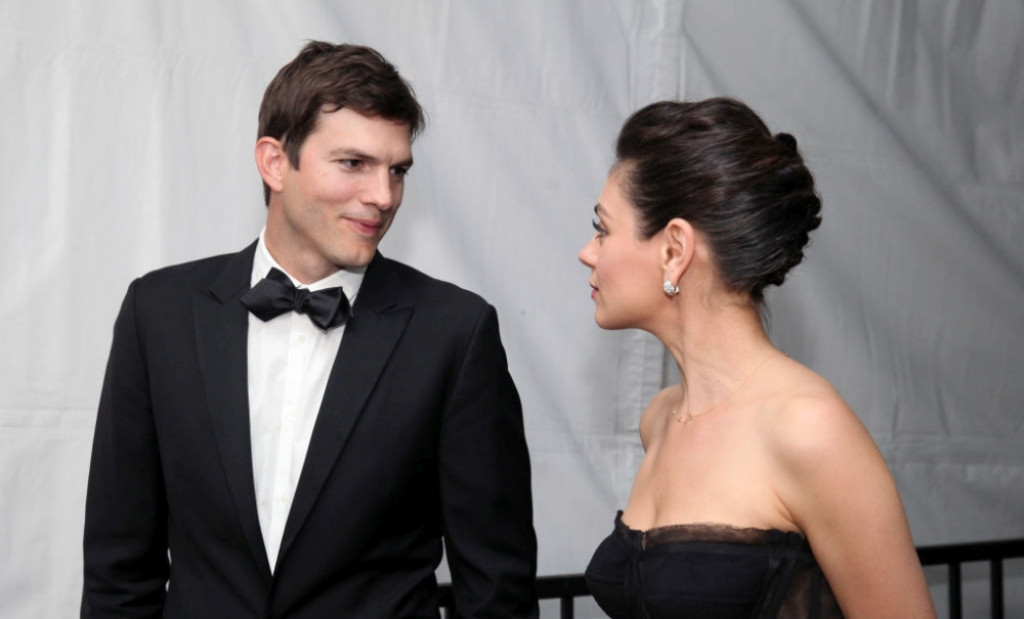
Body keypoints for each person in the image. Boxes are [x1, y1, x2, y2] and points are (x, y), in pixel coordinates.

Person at [82, 41, 538, 618]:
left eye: (397, 170)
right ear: (275, 162)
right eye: (353, 164)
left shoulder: (455, 333)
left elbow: (496, 590)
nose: (383, 196)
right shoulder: (159, 313)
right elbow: (119, 570)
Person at [579, 98, 935, 618]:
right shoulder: (660, 419)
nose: (588, 252)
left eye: (603, 229)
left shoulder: (808, 427)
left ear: (675, 249)